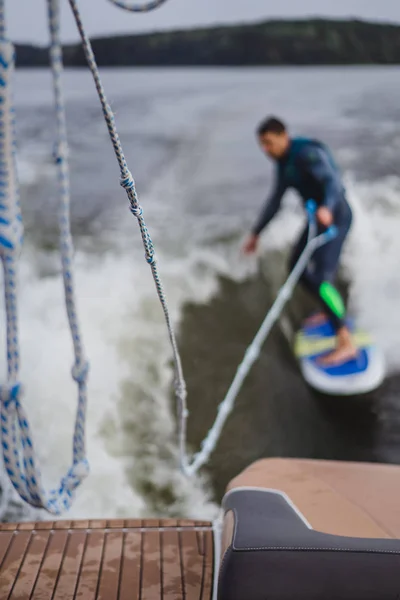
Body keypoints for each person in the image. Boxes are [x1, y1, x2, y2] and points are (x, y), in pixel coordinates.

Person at [243, 116, 355, 366]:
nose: (265, 150)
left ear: (284, 135)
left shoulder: (307, 154)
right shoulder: (283, 164)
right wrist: (256, 233)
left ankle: (345, 341)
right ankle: (330, 313)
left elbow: (332, 182)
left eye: (269, 143)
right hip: (317, 219)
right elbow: (275, 201)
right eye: (262, 144)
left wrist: (327, 206)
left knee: (322, 278)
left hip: (335, 217)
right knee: (296, 266)